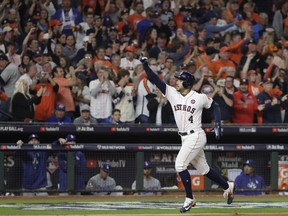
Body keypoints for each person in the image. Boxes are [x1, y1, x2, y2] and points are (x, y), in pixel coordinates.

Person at [141, 58, 235, 213]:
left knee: (180, 164)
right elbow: (154, 79)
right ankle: (227, 186)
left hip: (196, 135)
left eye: (180, 80)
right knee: (204, 170)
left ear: (187, 83)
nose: (176, 82)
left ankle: (190, 198)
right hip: (185, 137)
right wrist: (145, 65)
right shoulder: (172, 93)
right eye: (177, 80)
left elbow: (215, 106)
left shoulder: (199, 97)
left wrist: (218, 124)